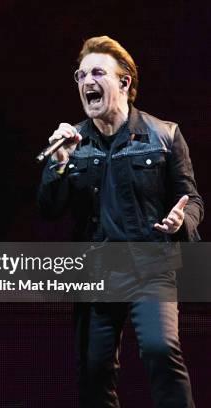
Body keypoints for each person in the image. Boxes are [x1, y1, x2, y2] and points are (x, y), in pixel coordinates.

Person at [37, 36, 203, 407]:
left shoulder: (164, 135)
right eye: (80, 75)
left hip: (150, 265)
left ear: (125, 82)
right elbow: (48, 210)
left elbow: (192, 200)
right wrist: (59, 163)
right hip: (97, 270)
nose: (85, 82)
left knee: (161, 350)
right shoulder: (74, 143)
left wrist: (180, 221)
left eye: (97, 72)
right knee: (94, 370)